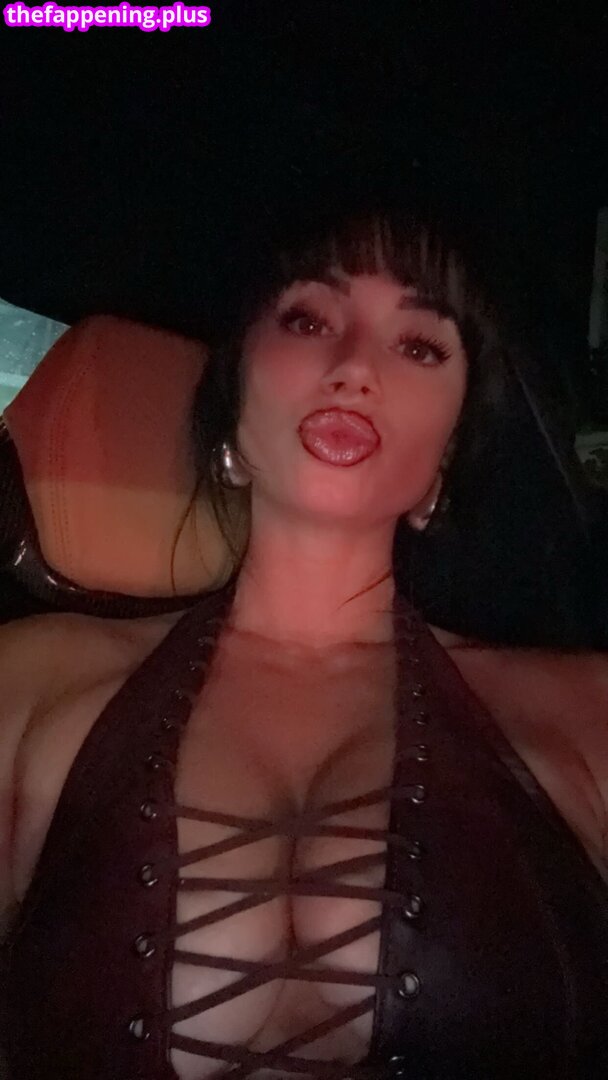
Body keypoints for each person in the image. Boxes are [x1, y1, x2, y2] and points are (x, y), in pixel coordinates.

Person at [1, 200, 608, 1080]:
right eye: (308, 319)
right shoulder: (28, 686)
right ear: (232, 411)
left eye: (419, 345)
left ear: (442, 464)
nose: (354, 366)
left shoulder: (589, 717)